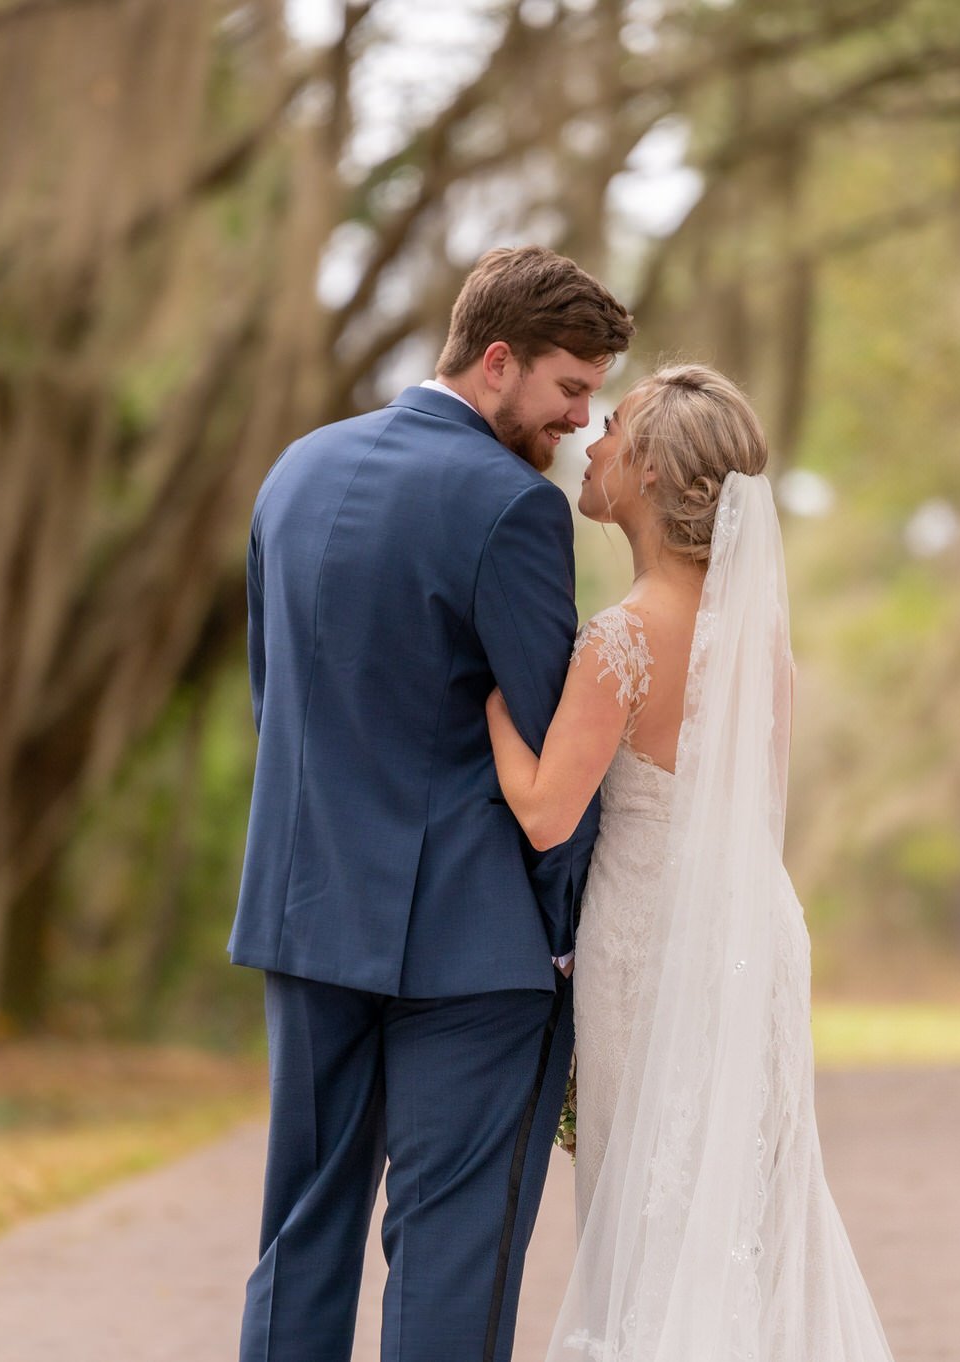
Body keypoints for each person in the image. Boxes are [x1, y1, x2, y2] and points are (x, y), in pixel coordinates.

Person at [230, 245, 634, 1362]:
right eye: (567, 390)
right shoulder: (511, 506)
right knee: (449, 1254)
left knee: (299, 1233)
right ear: (496, 362)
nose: (576, 423)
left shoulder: (295, 471)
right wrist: (564, 940)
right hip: (471, 948)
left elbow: (280, 704)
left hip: (308, 921)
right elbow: (556, 743)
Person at [486, 364, 896, 1360]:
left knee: (646, 1215)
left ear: (652, 471)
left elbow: (544, 814)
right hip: (749, 936)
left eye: (613, 427)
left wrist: (490, 705)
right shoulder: (757, 642)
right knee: (742, 1209)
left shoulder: (621, 639)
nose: (591, 440)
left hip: (648, 951)